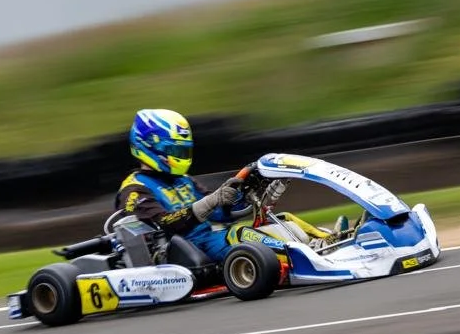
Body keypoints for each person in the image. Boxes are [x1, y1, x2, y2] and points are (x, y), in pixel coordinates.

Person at [115, 108, 342, 263]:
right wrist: (213, 199)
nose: (180, 157)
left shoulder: (183, 180)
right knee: (240, 234)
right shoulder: (134, 189)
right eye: (174, 151)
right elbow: (165, 223)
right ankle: (306, 256)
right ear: (148, 146)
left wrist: (239, 193)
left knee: (283, 219)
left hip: (210, 240)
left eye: (183, 151)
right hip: (181, 251)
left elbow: (221, 214)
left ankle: (326, 240)